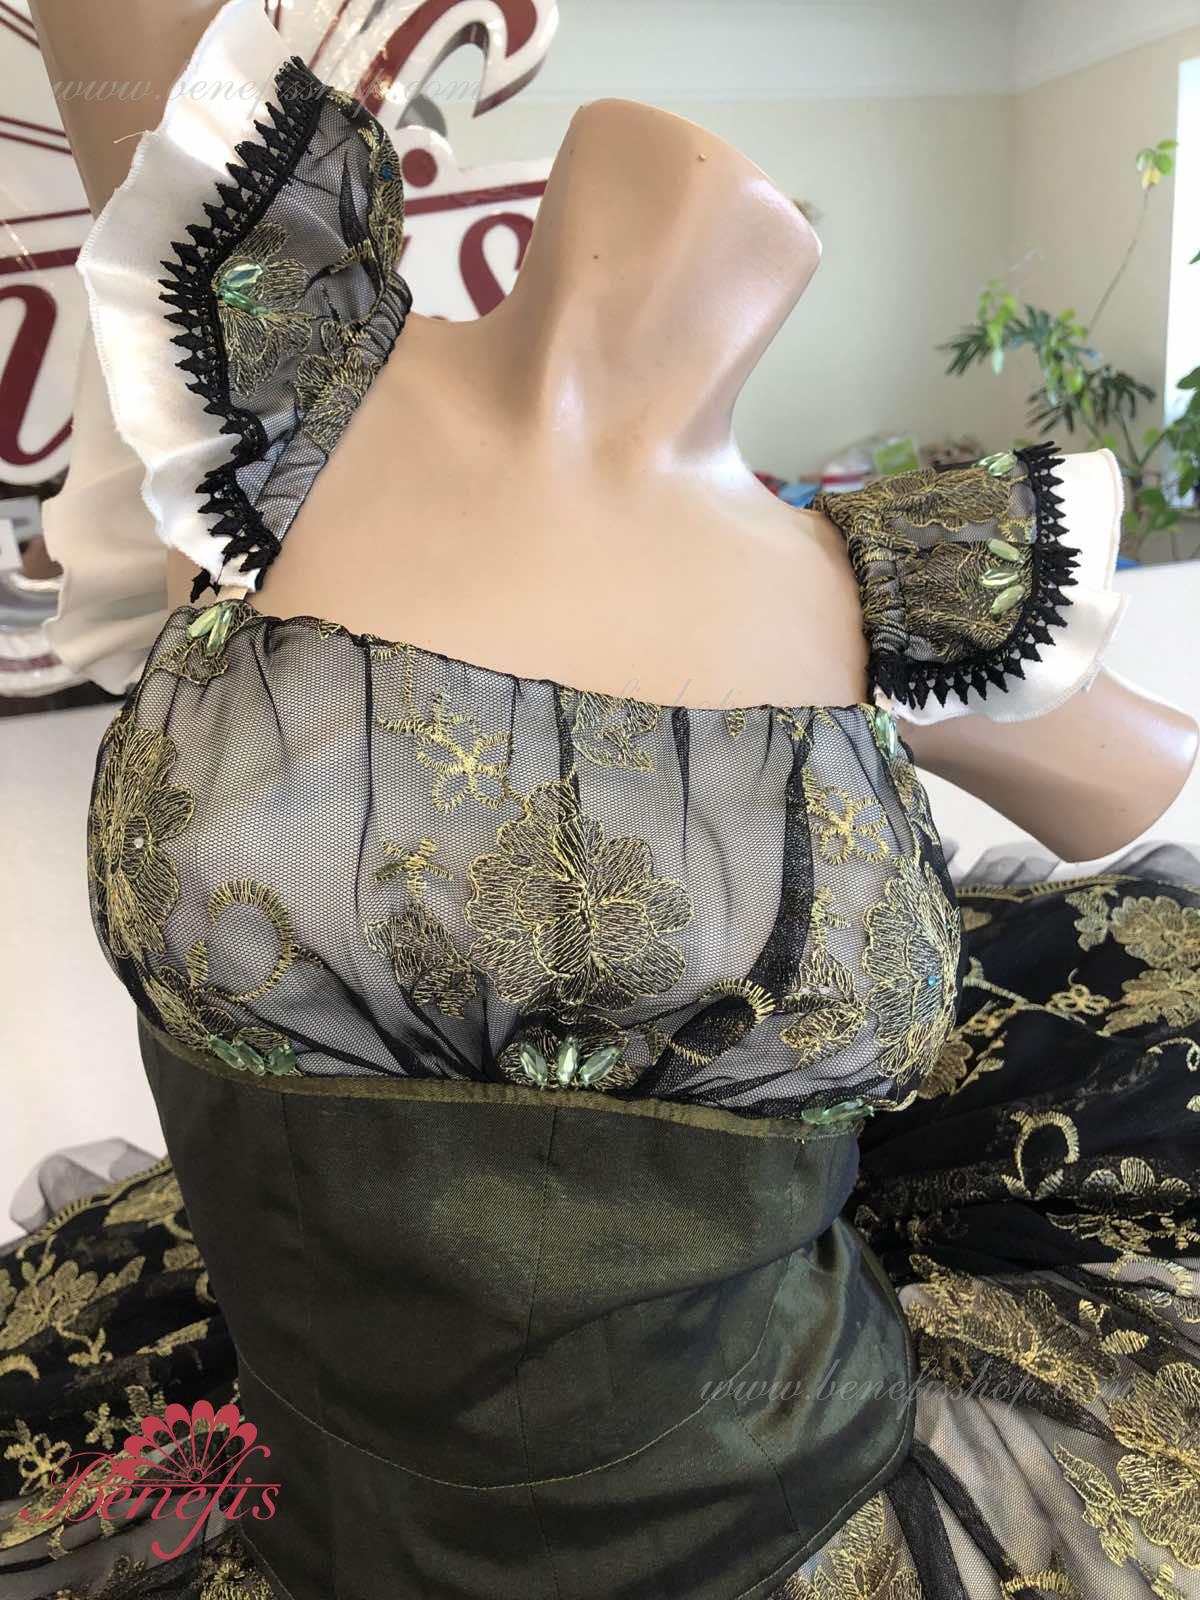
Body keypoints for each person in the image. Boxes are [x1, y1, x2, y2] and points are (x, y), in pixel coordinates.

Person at [4, 2, 1200, 1596]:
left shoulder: (922, 597)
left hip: (814, 1511)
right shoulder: (258, 371)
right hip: (287, 1490)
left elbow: (1136, 771)